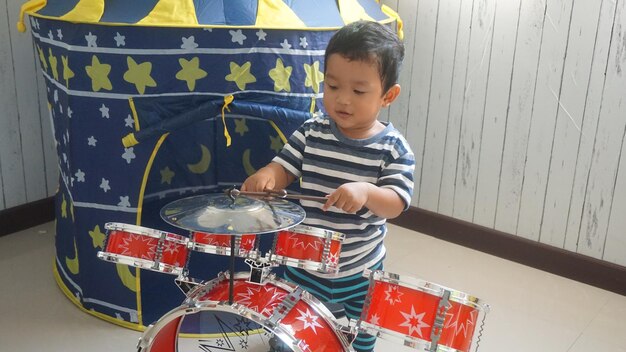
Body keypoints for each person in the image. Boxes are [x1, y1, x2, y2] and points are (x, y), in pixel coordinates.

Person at [242, 20, 414, 352]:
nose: (342, 100)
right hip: (305, 263)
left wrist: (365, 192)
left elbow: (396, 203)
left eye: (358, 91)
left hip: (359, 269)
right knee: (291, 325)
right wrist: (268, 175)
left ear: (388, 95)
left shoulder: (394, 149)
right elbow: (284, 168)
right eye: (333, 86)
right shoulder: (312, 131)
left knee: (362, 331)